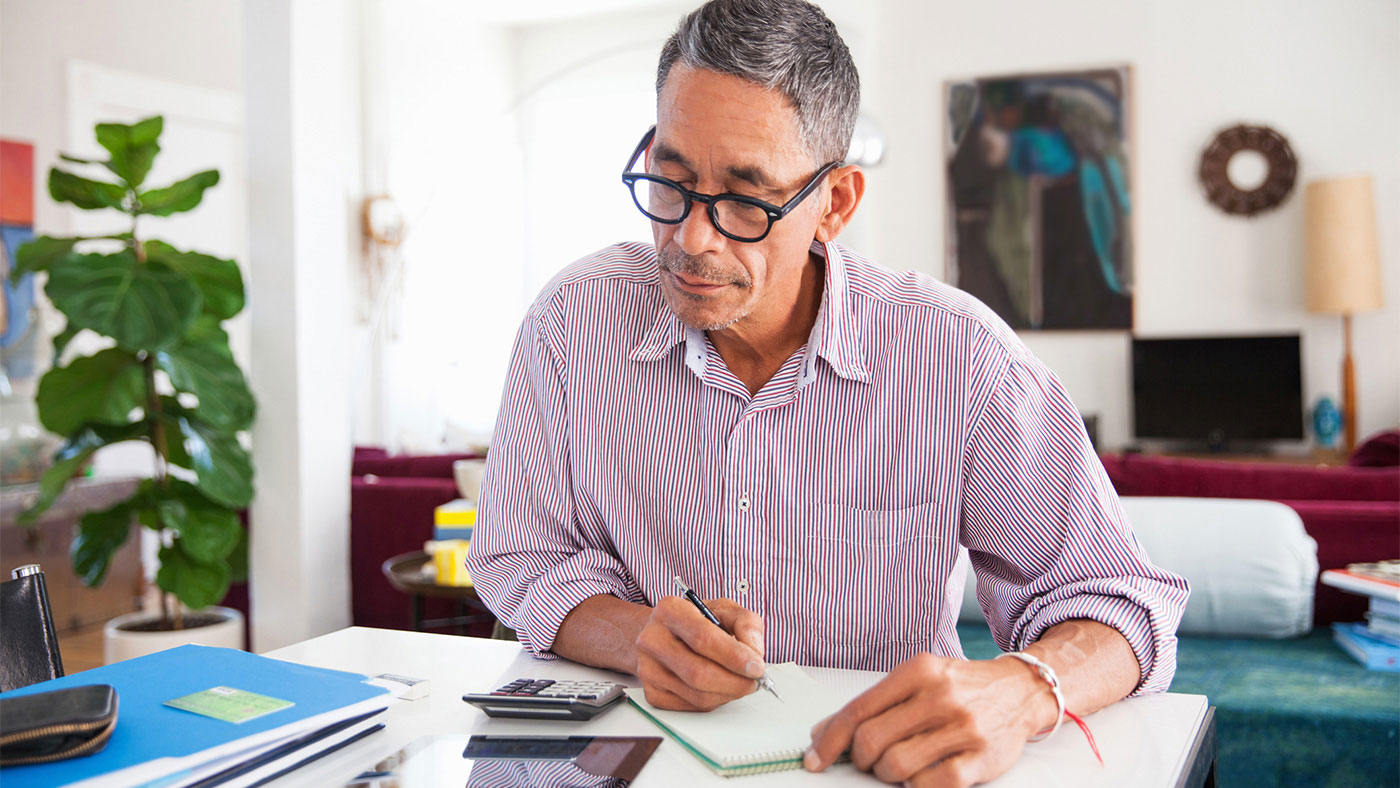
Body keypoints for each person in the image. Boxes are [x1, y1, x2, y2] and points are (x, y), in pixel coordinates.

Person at [465, 1, 1188, 785]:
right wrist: (636, 636)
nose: (691, 240)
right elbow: (521, 558)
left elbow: (1119, 601)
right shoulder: (571, 324)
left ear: (835, 204)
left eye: (745, 199)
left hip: (874, 769)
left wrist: (1021, 689)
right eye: (670, 181)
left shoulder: (960, 358)